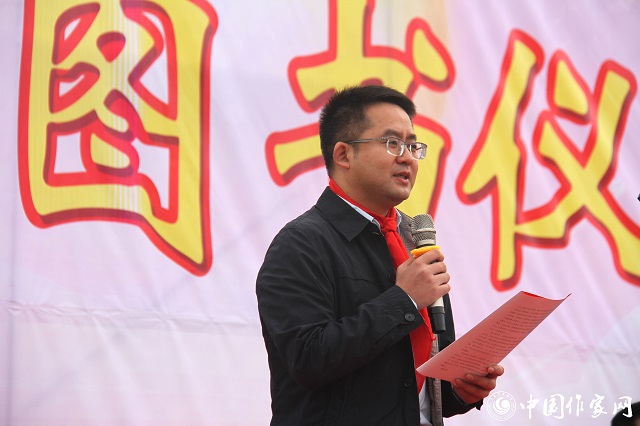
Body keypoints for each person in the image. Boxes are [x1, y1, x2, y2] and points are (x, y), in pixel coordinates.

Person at [256, 85, 504, 425]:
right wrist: (404, 300)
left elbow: (426, 388)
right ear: (344, 155)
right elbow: (308, 360)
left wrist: (462, 388)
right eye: (392, 143)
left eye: (412, 146)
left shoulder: (415, 239)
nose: (407, 158)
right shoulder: (300, 244)